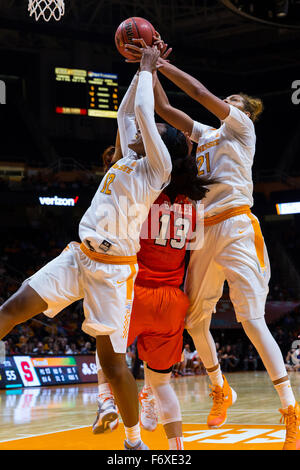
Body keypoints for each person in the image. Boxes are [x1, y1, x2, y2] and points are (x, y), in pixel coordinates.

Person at [124, 39, 300, 450]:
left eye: (233, 99)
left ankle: (290, 409)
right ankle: (220, 387)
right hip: (204, 231)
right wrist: (146, 71)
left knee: (252, 322)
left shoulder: (241, 127)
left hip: (237, 226)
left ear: (243, 110)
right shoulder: (206, 134)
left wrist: (161, 64)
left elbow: (200, 94)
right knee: (192, 320)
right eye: (228, 98)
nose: (226, 100)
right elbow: (167, 111)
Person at [0, 47, 174, 451]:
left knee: (113, 365)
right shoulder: (129, 156)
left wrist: (149, 68)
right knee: (11, 309)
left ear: (165, 147)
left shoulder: (158, 168)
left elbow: (146, 117)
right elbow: (127, 115)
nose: (149, 133)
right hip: (78, 256)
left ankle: (133, 442)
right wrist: (139, 71)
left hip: (114, 274)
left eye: (159, 134)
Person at [92, 122, 212, 451]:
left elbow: (123, 151)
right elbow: (193, 260)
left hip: (136, 293)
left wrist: (143, 80)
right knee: (163, 386)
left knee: (106, 353)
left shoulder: (144, 187)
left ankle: (107, 402)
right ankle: (177, 452)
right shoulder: (194, 201)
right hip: (173, 299)